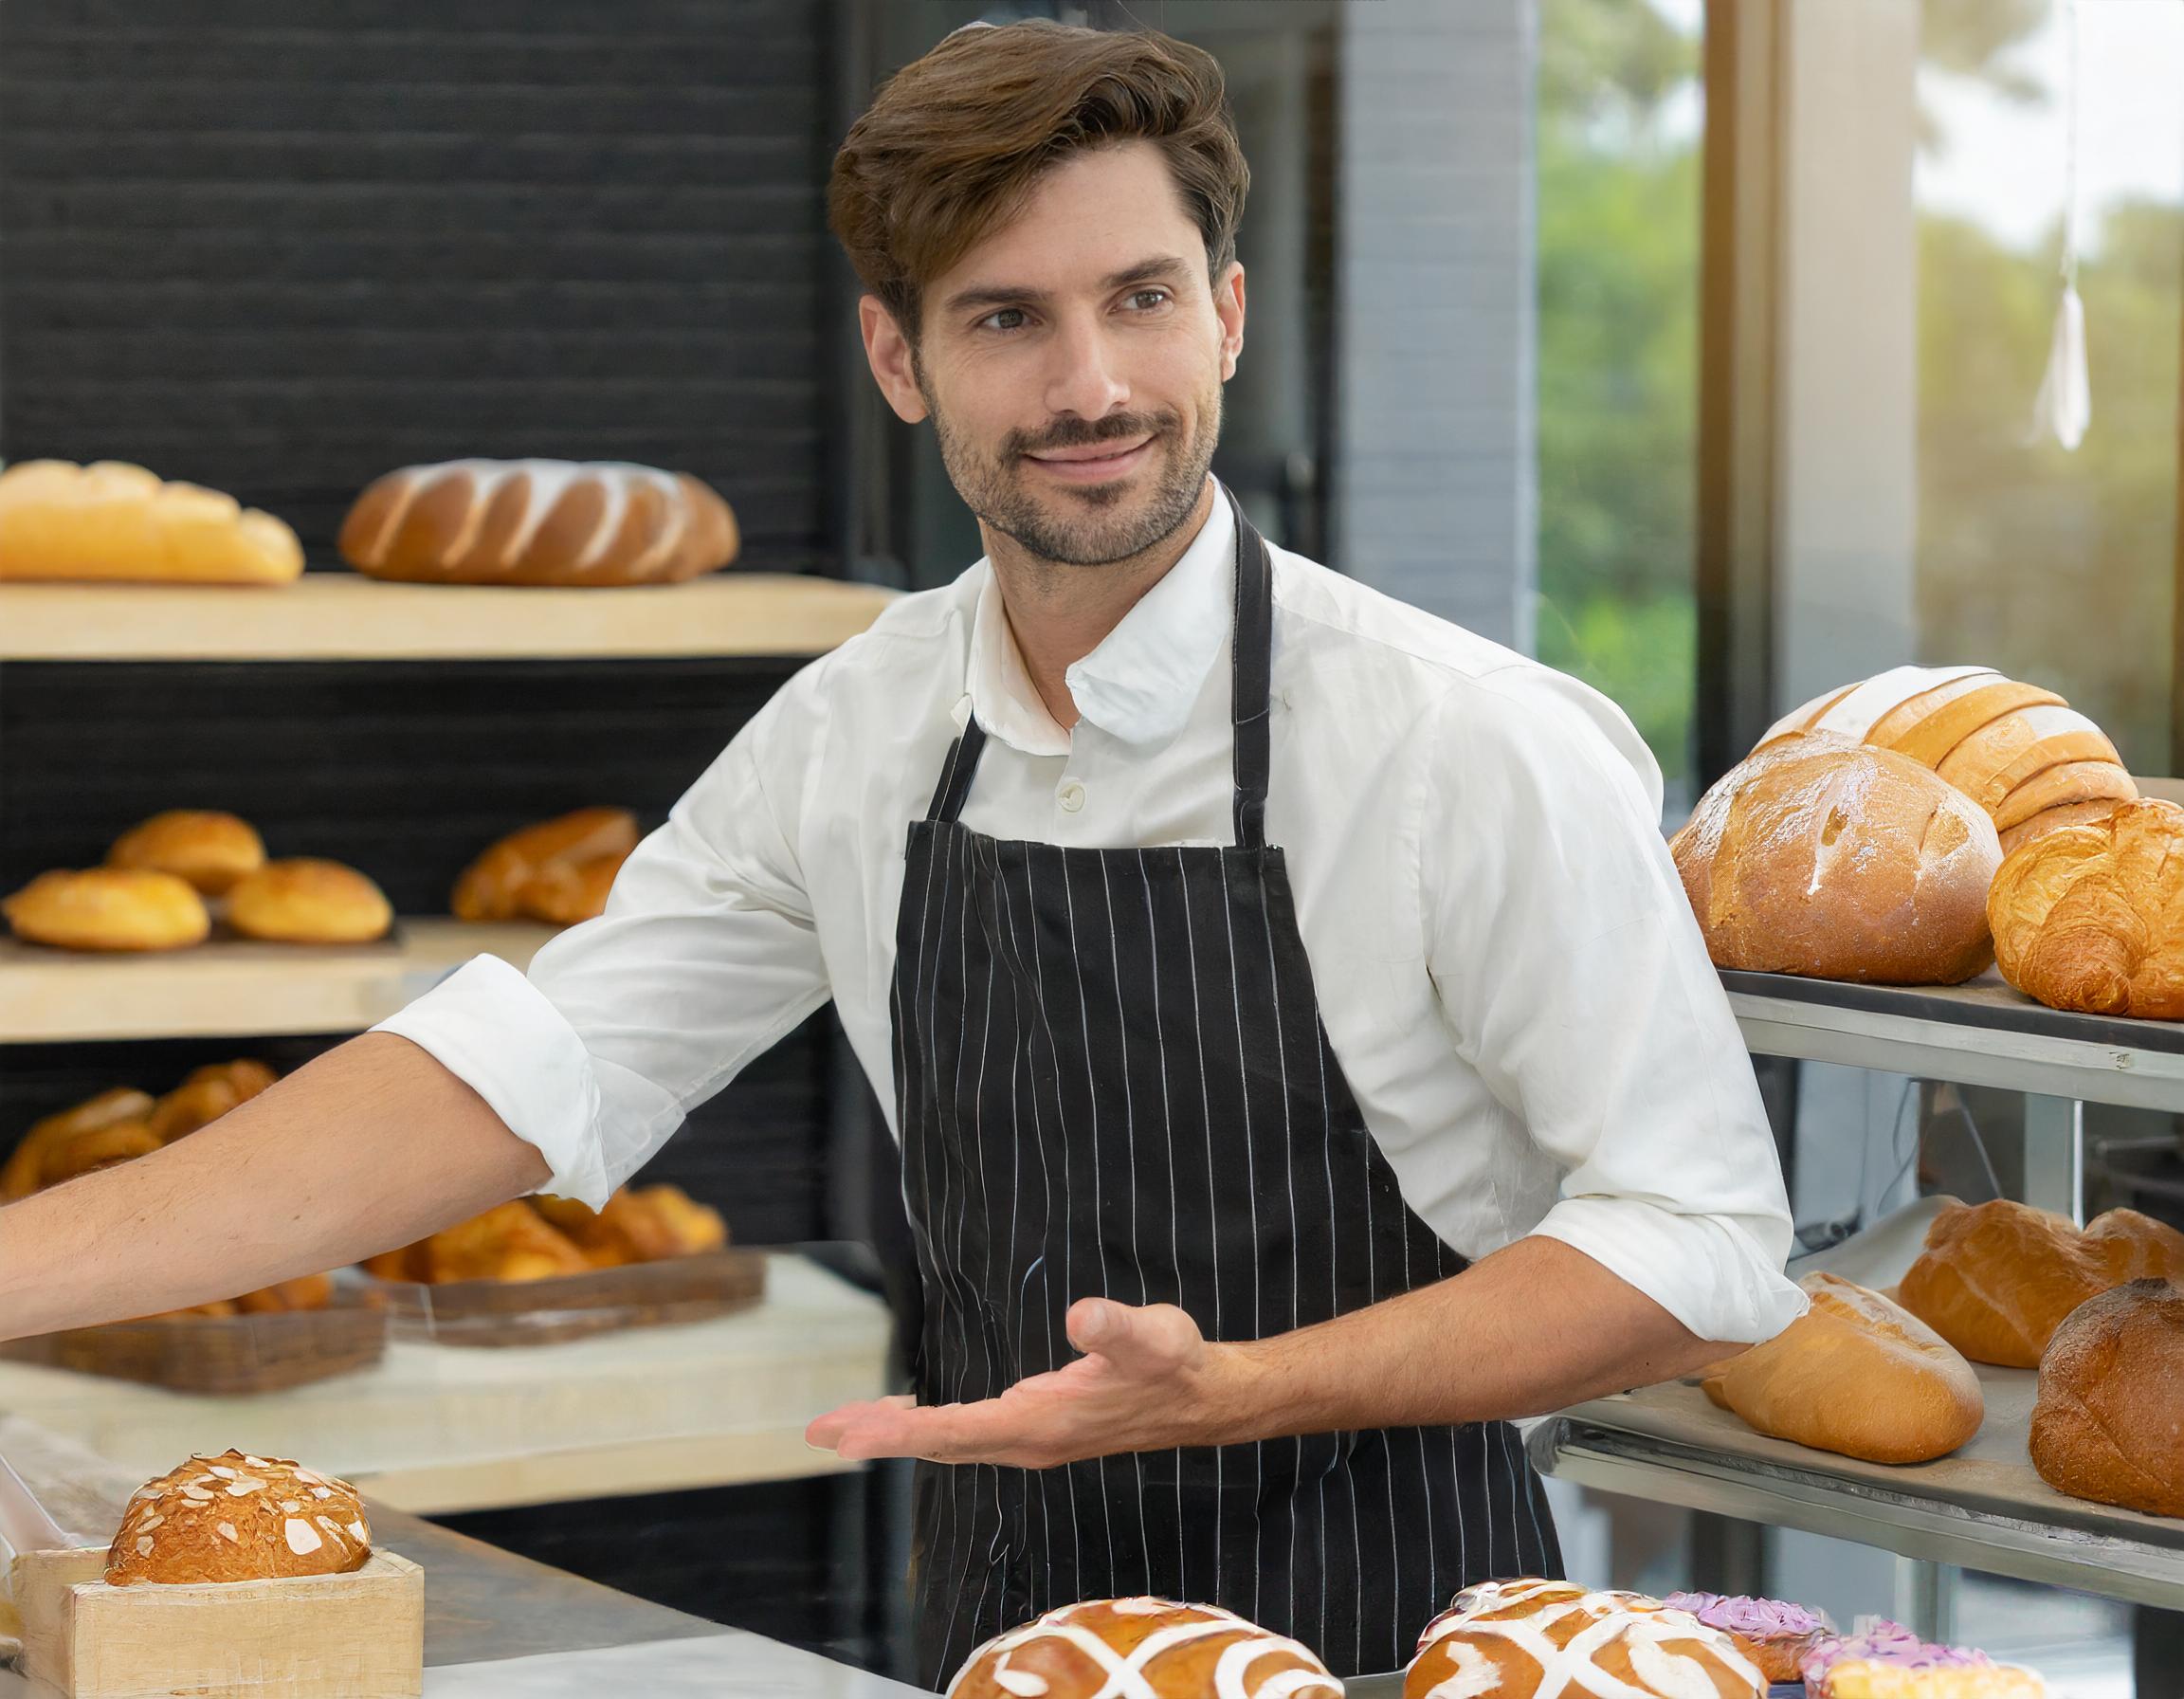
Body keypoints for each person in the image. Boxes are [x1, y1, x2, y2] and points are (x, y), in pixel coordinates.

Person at [0, 20, 1801, 1687]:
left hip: (1401, 1633)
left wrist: (1243, 1388)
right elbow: (518, 1073)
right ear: (898, 359)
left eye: (1143, 299)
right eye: (1008, 318)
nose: (1093, 385)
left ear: (1229, 315)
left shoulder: (1464, 738)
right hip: (1007, 1634)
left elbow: (1702, 1248)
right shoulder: (859, 730)